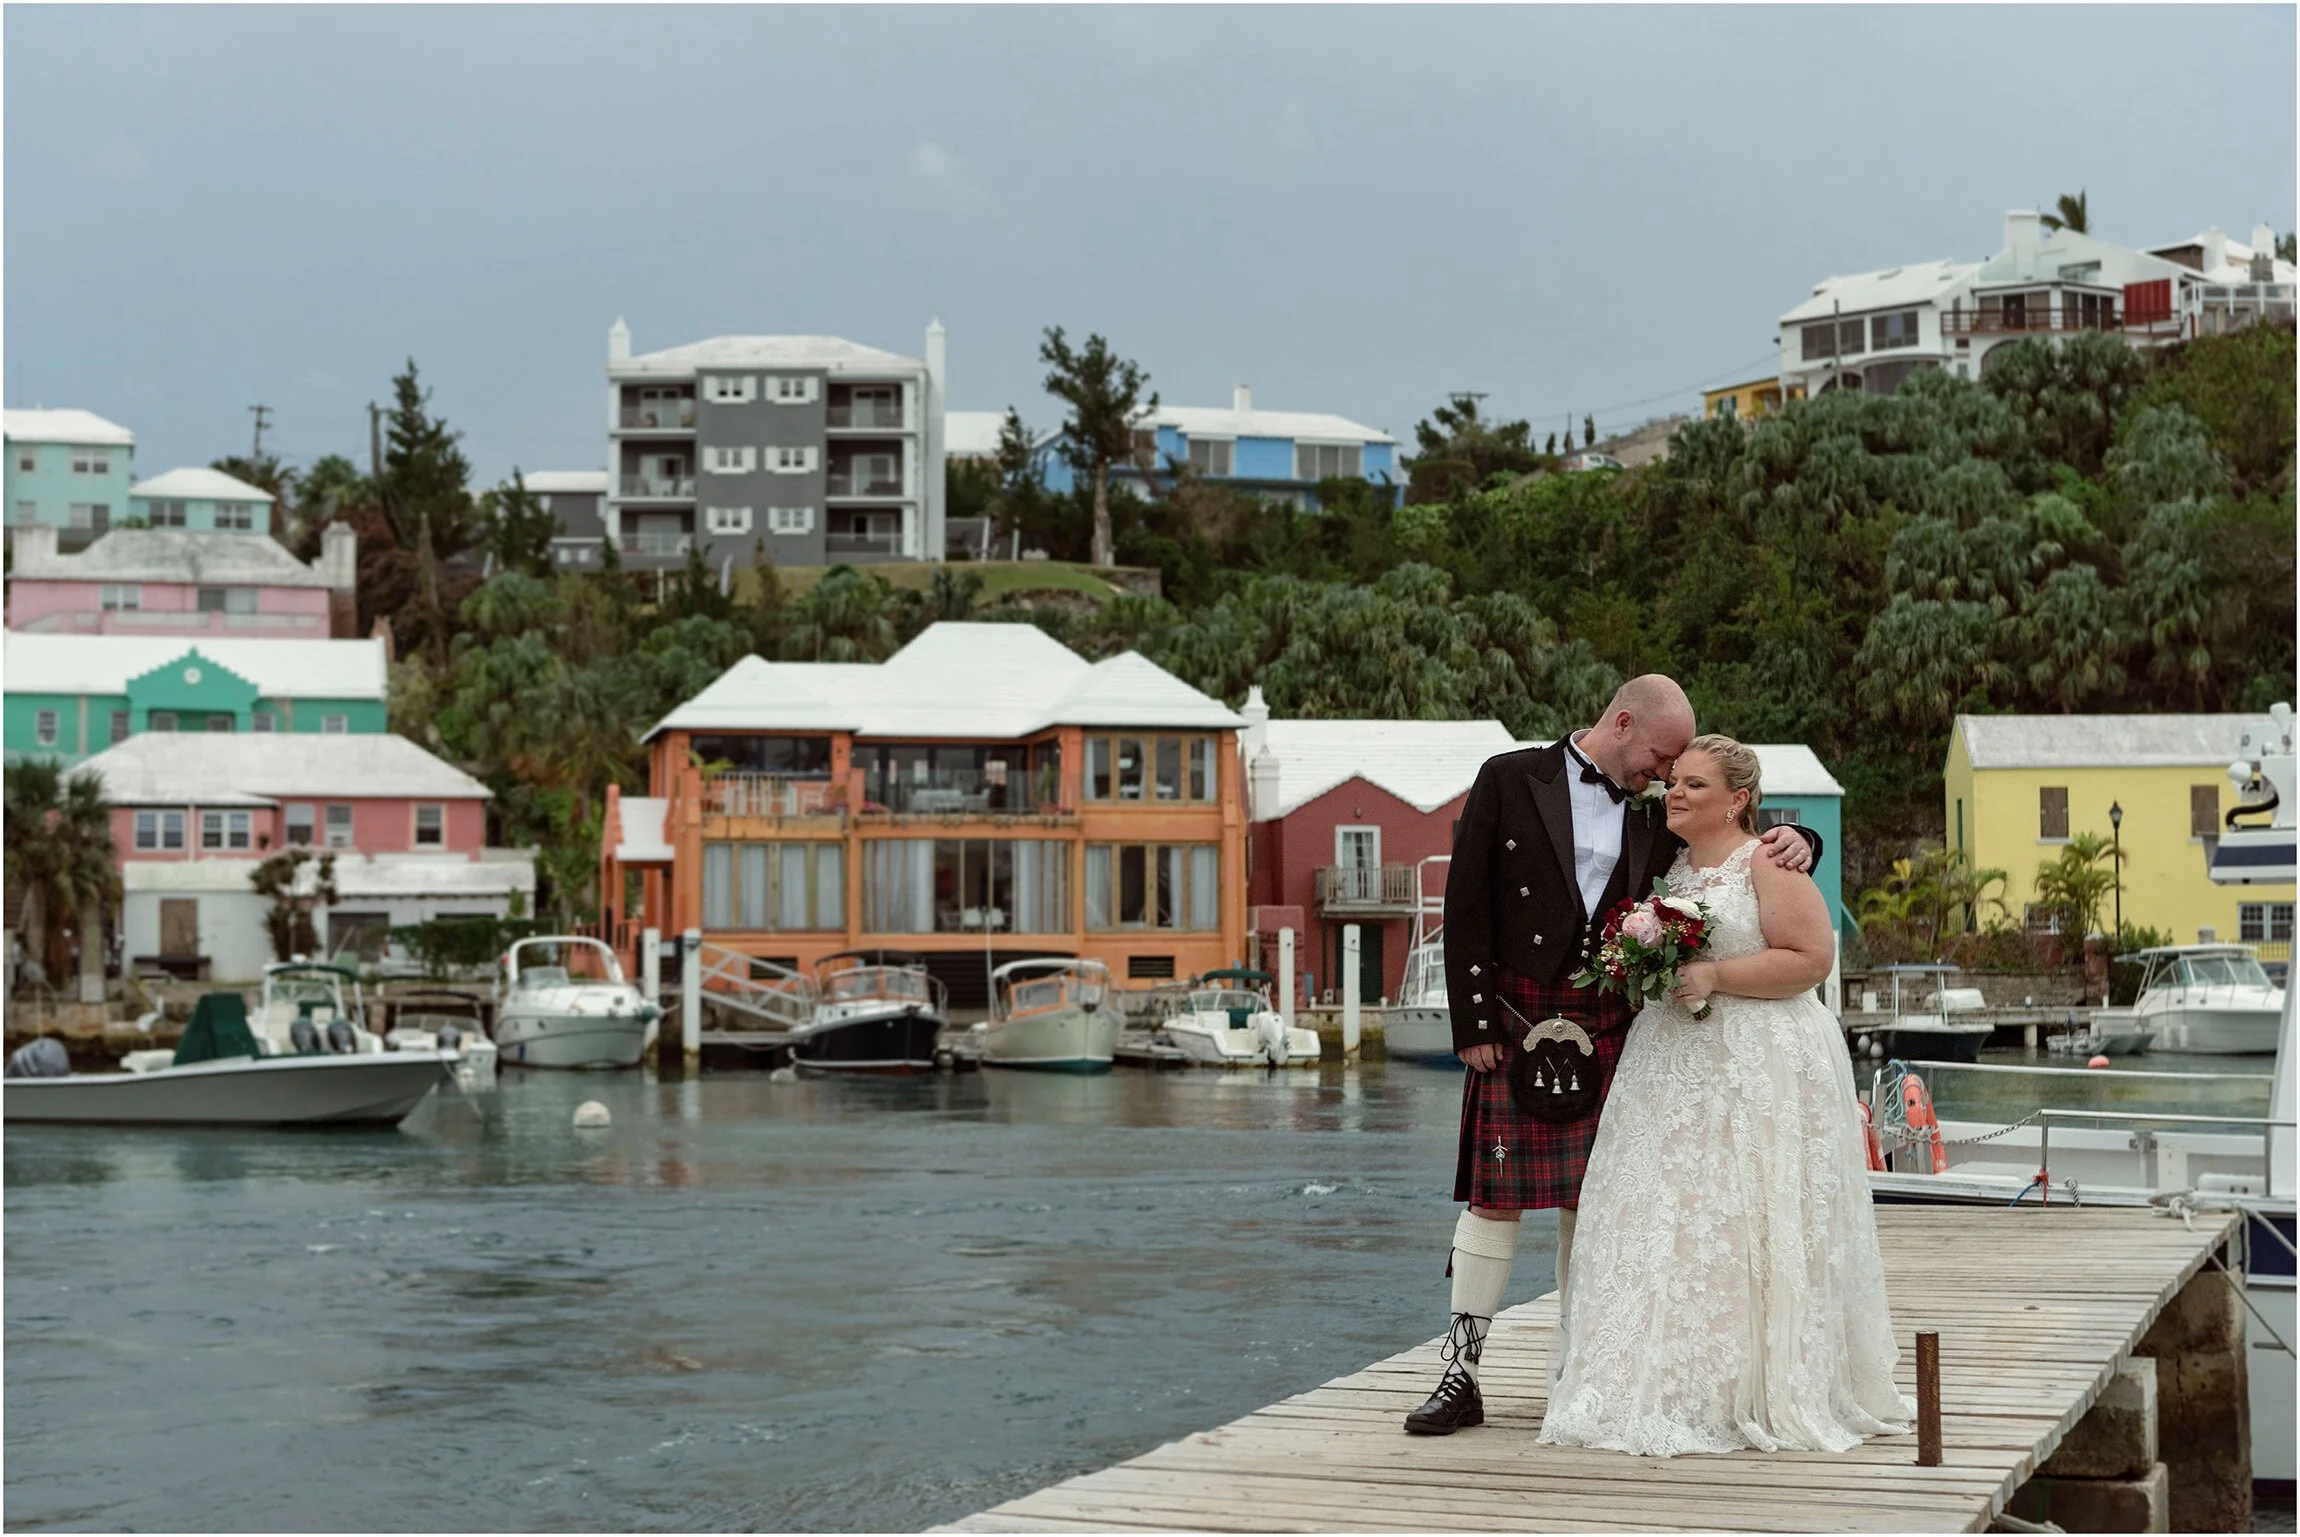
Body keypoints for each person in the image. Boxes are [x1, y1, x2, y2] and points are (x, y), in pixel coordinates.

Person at [1404, 679, 1822, 1436]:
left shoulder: (1657, 809)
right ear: (1623, 723)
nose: (1665, 778)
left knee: (1593, 1201)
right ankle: (1459, 1373)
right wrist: (1470, 1020)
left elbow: (1727, 847)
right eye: (1660, 759)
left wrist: (1803, 840)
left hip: (1606, 1018)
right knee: (1493, 1198)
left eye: (1675, 772)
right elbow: (1462, 903)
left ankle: (1578, 1363)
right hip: (1514, 1011)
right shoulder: (1509, 776)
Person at [1539, 735, 1912, 1455]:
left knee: (1749, 1216)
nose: (1673, 792)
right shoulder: (1669, 861)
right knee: (1674, 1215)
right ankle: (1677, 1378)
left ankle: (1758, 1384)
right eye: (1673, 781)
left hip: (1760, 1060)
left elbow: (1811, 958)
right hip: (1673, 1062)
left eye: (1694, 785)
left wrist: (1715, 977)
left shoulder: (1768, 860)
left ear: (1738, 799)